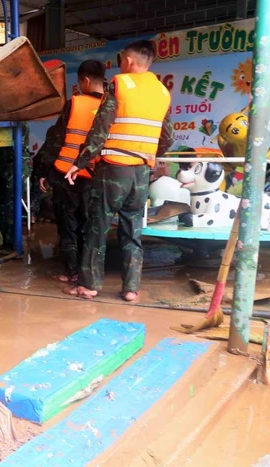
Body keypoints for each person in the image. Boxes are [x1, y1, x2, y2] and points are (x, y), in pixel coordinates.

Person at [64, 40, 175, 301]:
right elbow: (168, 135)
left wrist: (79, 162)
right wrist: (150, 154)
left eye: (123, 59)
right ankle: (131, 288)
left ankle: (89, 284)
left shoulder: (120, 84)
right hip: (141, 172)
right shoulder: (162, 92)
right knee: (132, 229)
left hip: (114, 168)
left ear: (129, 61)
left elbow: (101, 127)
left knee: (98, 226)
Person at [33, 60, 106, 284]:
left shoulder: (75, 103)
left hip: (67, 175)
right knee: (90, 226)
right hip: (97, 178)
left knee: (68, 226)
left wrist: (42, 171)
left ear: (85, 80)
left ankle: (71, 271)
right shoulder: (112, 106)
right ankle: (87, 272)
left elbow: (56, 140)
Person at [0, 125, 32, 254]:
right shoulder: (2, 125)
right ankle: (9, 243)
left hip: (14, 169)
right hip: (5, 169)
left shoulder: (16, 124)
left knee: (9, 209)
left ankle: (14, 245)